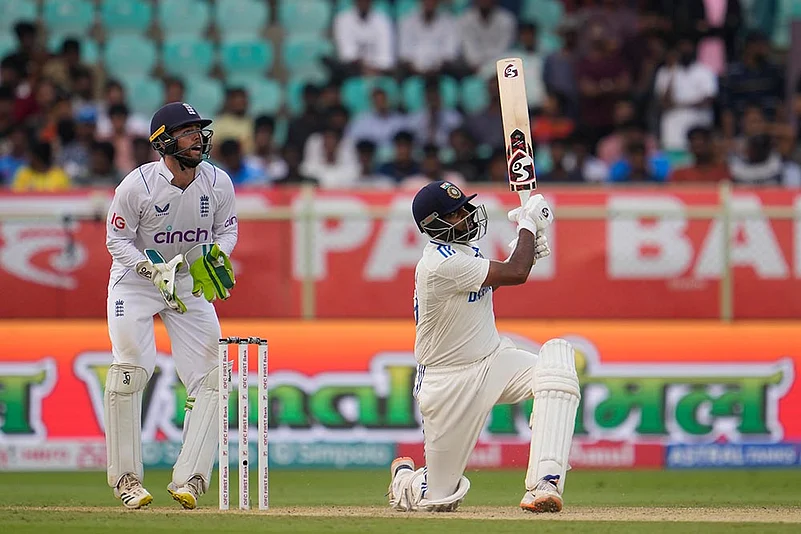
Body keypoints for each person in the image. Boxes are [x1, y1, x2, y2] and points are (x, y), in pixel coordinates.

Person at [388, 181, 580, 513]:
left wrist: (527, 245)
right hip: (448, 382)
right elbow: (516, 273)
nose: (466, 215)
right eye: (456, 213)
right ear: (434, 224)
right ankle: (405, 481)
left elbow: (504, 275)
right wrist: (527, 227)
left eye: (464, 207)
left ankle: (545, 483)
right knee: (440, 501)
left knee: (558, 363)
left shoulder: (465, 252)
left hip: (494, 360)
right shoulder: (438, 264)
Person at [104, 102, 238, 509]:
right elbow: (116, 241)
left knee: (214, 376)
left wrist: (213, 256)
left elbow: (226, 230)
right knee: (130, 371)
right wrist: (148, 270)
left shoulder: (217, 182)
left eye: (200, 131)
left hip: (187, 282)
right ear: (164, 142)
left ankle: (191, 479)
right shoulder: (137, 186)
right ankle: (126, 480)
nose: (198, 138)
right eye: (187, 132)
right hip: (136, 284)